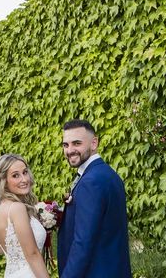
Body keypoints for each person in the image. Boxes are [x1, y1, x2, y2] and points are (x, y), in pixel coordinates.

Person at [57, 119, 132, 278]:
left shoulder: (91, 181)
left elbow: (83, 242)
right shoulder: (107, 174)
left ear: (94, 143)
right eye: (65, 145)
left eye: (77, 143)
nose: (70, 150)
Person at [0, 153, 50, 278]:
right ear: (4, 181)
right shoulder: (17, 208)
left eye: (25, 172)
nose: (24, 179)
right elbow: (32, 254)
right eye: (15, 175)